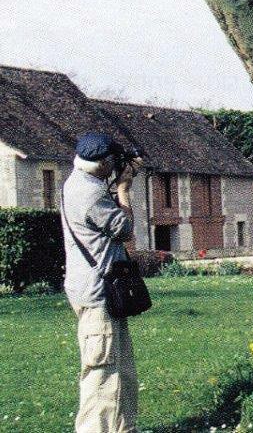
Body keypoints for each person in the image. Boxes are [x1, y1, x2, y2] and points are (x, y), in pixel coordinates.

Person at [61, 133, 140, 433]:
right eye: (113, 162)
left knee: (119, 369)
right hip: (99, 293)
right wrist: (124, 188)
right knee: (103, 372)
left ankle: (123, 428)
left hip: (94, 289)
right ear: (104, 162)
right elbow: (125, 229)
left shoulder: (76, 182)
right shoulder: (92, 194)